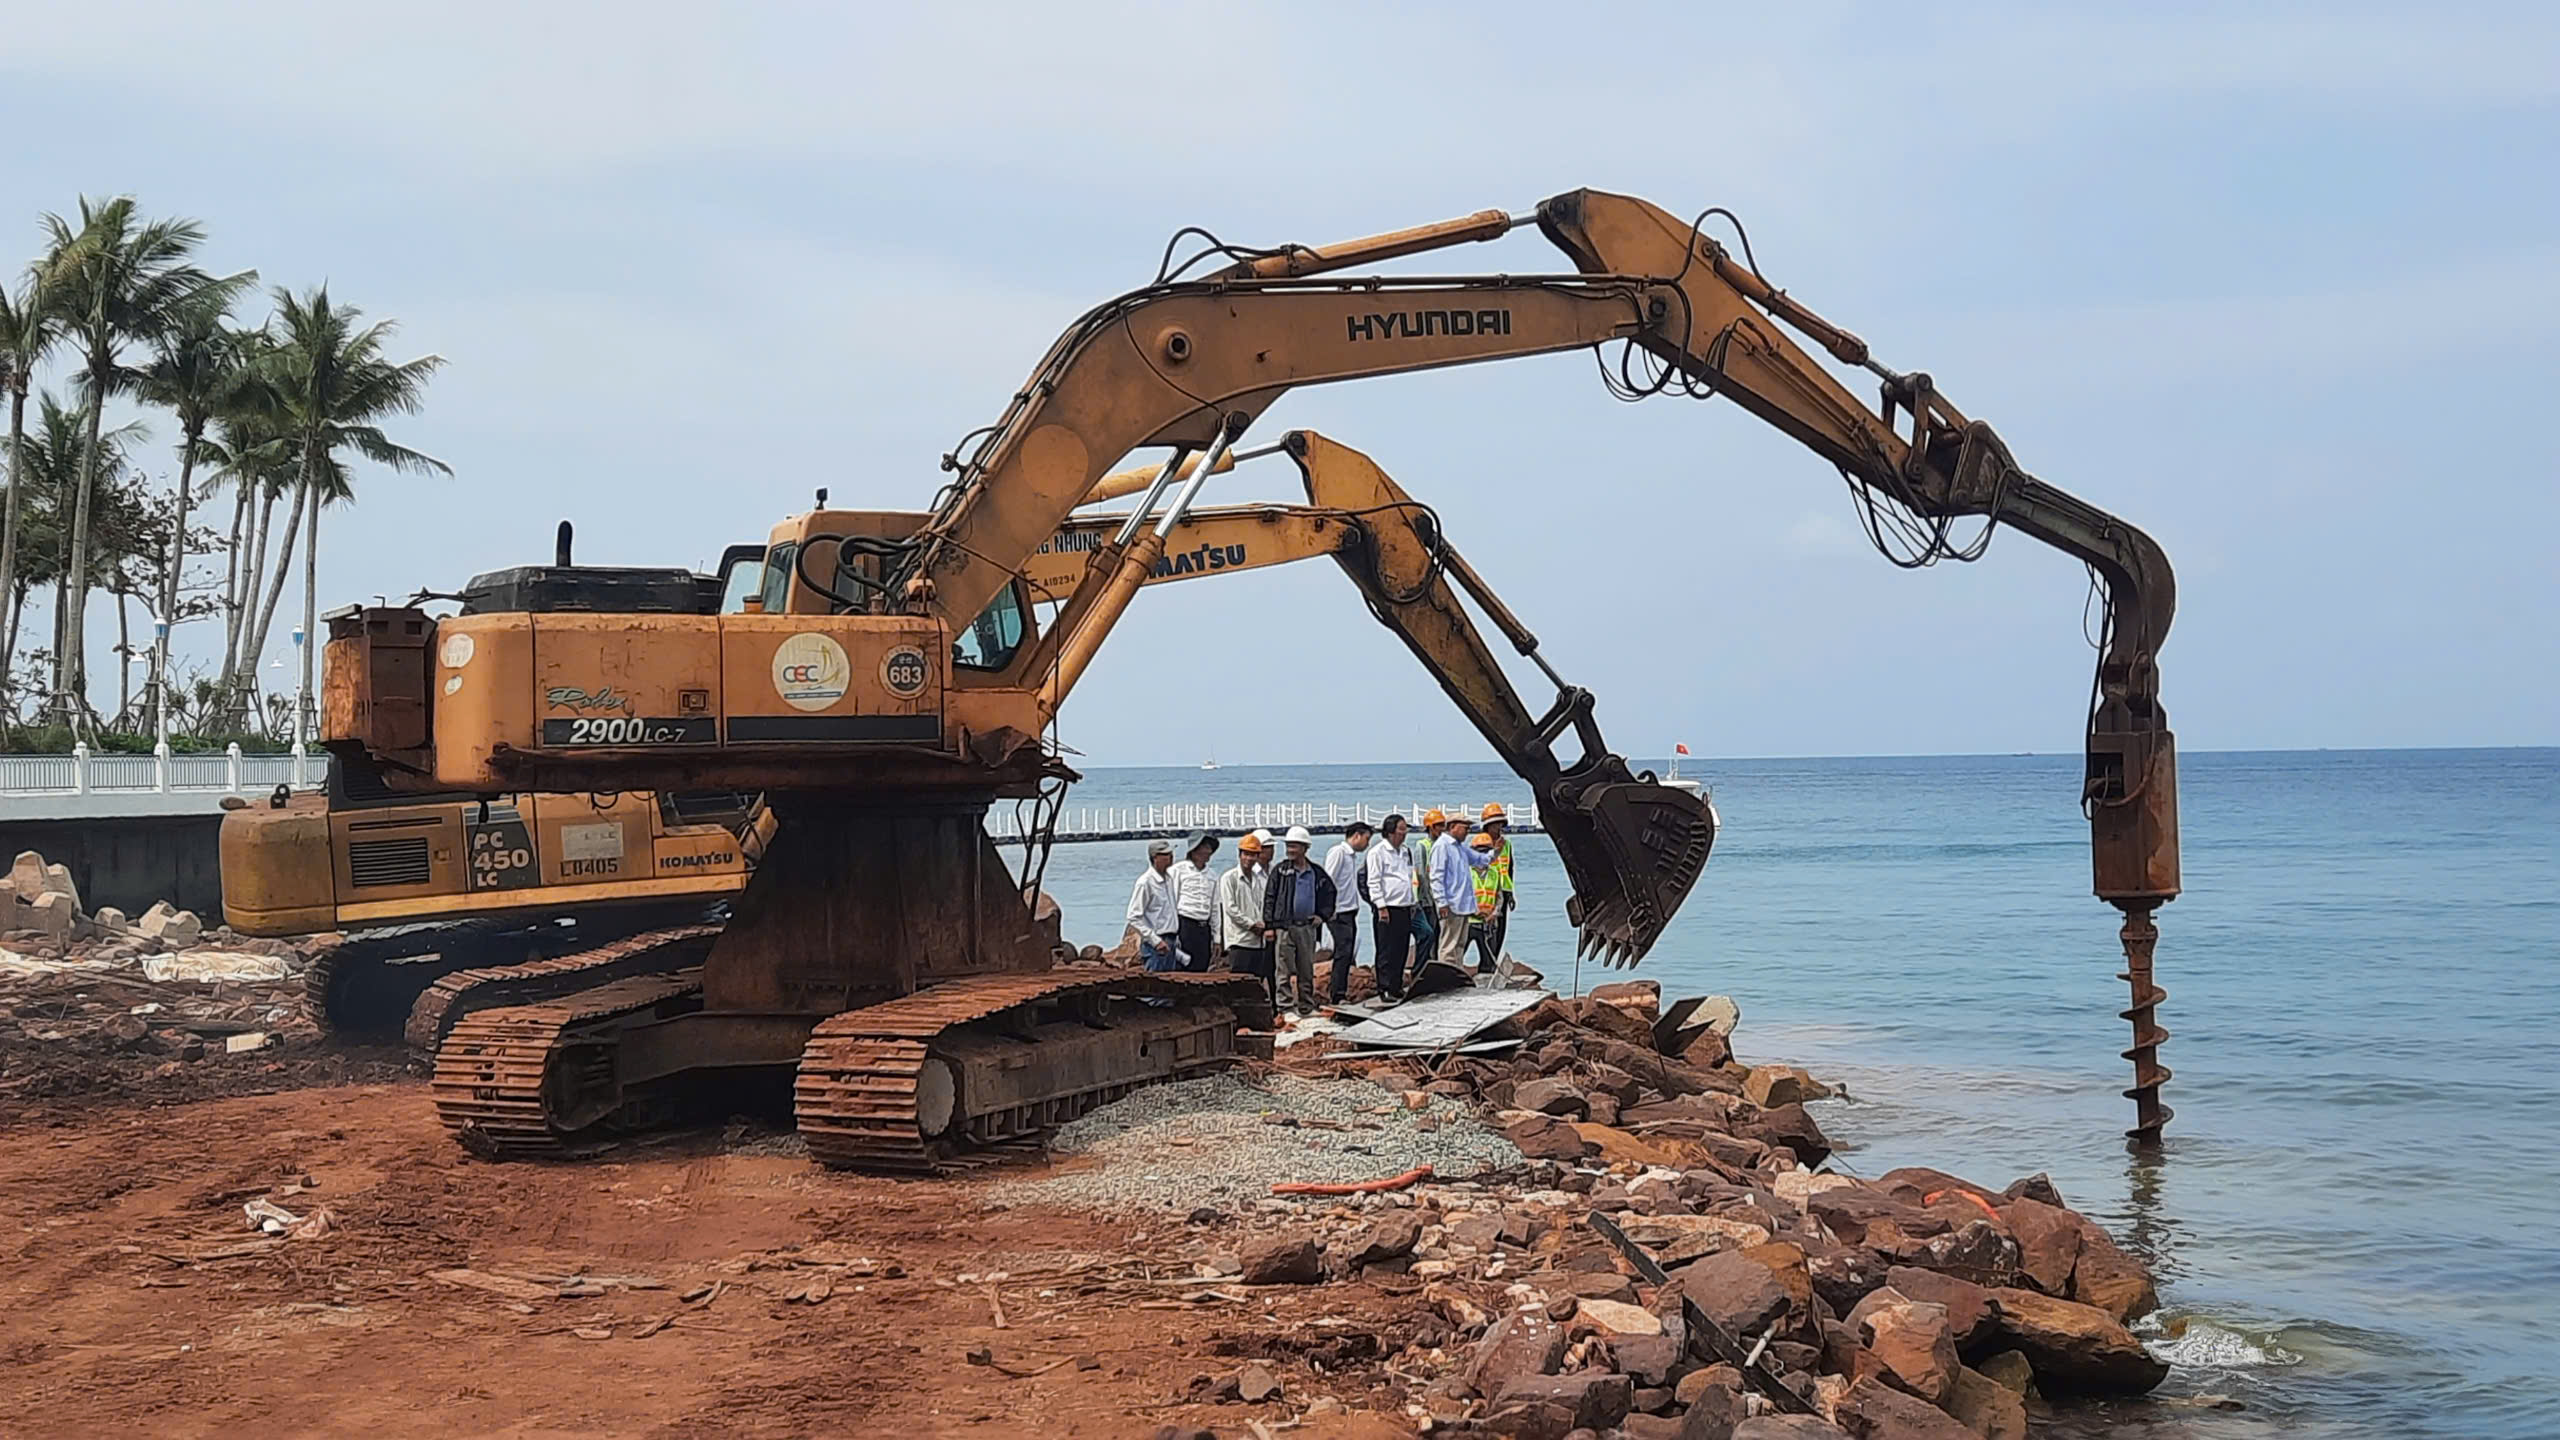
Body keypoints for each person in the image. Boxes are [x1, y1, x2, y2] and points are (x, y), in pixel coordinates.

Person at [1262, 825, 1336, 1016]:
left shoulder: (1316, 872)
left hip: (1307, 928)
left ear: (1305, 848)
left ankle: (1306, 1006)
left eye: (1294, 846)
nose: (1290, 850)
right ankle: (1285, 1007)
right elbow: (1269, 898)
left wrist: (1323, 916)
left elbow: (1330, 893)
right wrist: (1270, 926)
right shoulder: (1280, 871)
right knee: (1283, 970)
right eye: (1288, 846)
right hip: (1285, 928)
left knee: (1306, 970)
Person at [1362, 813, 1418, 1002]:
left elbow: (1409, 876)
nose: (1404, 834)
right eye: (1401, 830)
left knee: (1401, 948)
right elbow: (1374, 881)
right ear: (1390, 832)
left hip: (1404, 905)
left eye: (1405, 830)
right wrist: (1380, 906)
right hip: (1387, 907)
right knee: (1385, 948)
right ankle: (1384, 987)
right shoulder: (1377, 852)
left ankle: (1396, 985)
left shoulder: (1405, 851)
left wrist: (1412, 901)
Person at [1429, 811, 1492, 974]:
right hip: (1451, 904)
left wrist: (1495, 851)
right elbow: (1436, 877)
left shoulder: (1460, 848)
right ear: (1452, 827)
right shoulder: (1442, 846)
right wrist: (1441, 902)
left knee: (1459, 944)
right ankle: (1445, 976)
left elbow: (1480, 859)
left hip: (1462, 904)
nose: (1467, 832)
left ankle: (1456, 974)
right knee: (1449, 945)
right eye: (1464, 828)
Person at [1321, 821, 1374, 1003]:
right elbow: (1328, 880)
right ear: (1356, 836)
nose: (1367, 844)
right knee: (1343, 952)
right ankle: (1337, 995)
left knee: (1348, 950)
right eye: (1366, 839)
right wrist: (1329, 908)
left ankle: (1341, 991)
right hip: (1339, 911)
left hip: (1350, 910)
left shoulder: (1351, 857)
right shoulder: (1339, 852)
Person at [1218, 830, 1274, 997]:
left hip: (1258, 942)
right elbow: (1230, 908)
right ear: (1240, 855)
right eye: (1246, 854)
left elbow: (1262, 906)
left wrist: (1265, 925)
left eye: (1253, 855)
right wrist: (1251, 925)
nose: (1249, 858)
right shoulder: (1229, 878)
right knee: (1238, 985)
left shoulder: (1259, 880)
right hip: (1240, 941)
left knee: (1255, 985)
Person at [1125, 837, 1181, 975]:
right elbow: (1133, 917)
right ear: (1155, 858)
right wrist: (1155, 941)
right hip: (1156, 944)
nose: (1171, 857)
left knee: (1170, 987)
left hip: (1172, 941)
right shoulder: (1145, 882)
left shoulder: (1169, 879)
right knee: (1155, 988)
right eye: (1166, 855)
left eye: (1171, 854)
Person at [1471, 802, 1516, 969]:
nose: (1498, 827)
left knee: (1500, 929)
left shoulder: (1506, 844)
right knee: (1481, 931)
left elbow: (1509, 869)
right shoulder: (1481, 843)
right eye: (1495, 824)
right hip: (1483, 892)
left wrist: (1510, 893)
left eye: (1500, 824)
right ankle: (1485, 963)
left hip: (1501, 890)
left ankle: (1492, 963)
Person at [1173, 831, 1220, 972]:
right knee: (1183, 967)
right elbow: (1172, 900)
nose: (1208, 851)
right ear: (1194, 850)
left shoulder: (1212, 875)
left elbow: (1215, 908)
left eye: (1209, 848)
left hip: (1204, 928)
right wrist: (1173, 933)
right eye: (1204, 847)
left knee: (1202, 966)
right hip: (1185, 925)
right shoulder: (1178, 870)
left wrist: (1217, 938)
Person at [1410, 808, 1446, 963]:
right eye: (1439, 825)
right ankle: (1427, 962)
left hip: (1441, 898)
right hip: (1428, 899)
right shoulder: (1423, 846)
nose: (1442, 829)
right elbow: (1421, 874)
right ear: (1431, 827)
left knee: (1440, 932)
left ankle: (1437, 961)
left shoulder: (1443, 845)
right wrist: (1425, 898)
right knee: (1430, 931)